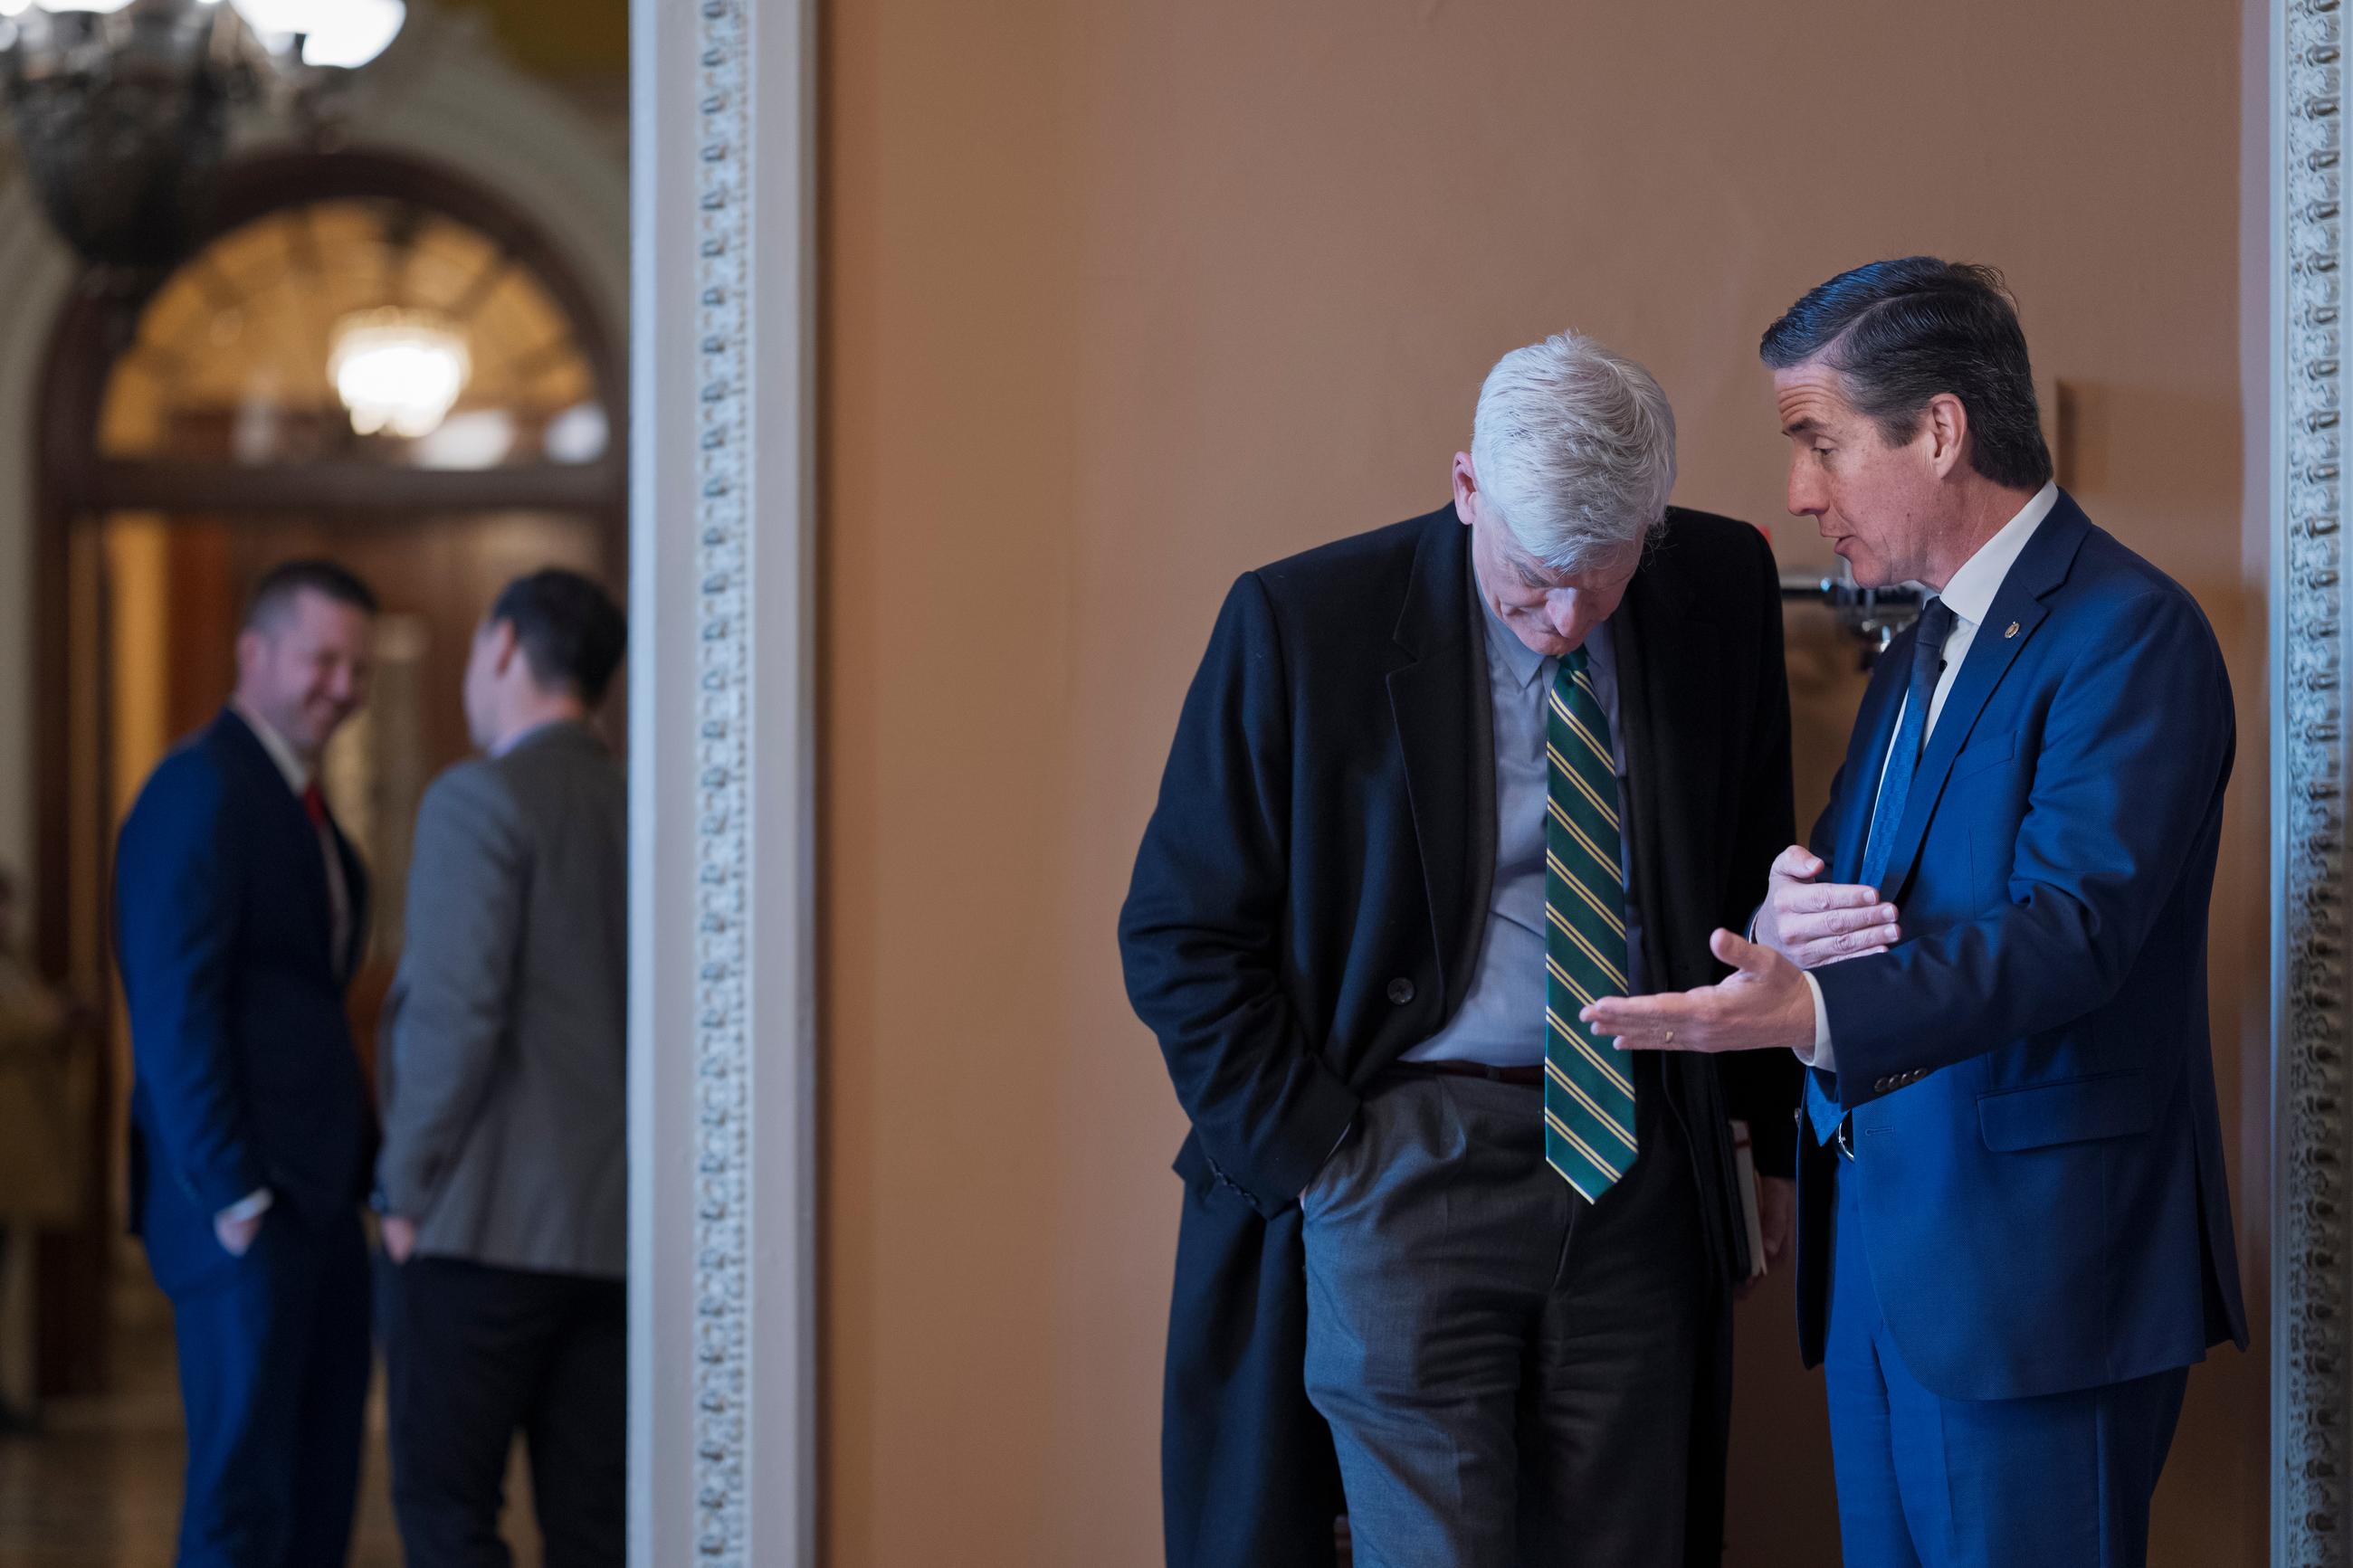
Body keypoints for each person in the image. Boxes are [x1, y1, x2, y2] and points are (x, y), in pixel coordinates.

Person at [1583, 259, 2248, 1568]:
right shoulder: (1916, 653)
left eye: (1818, 441)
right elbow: (1866, 898)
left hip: (2037, 1291)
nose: (1799, 491)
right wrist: (1790, 908)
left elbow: (2077, 927)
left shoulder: (2132, 635)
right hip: (1890, 1275)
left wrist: (1816, 1007)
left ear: (1939, 430)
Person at [1119, 331, 1802, 1568]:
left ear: (1652, 524)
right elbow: (1179, 929)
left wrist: (1760, 1141)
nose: (1561, 619)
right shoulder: (1301, 622)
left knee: (1632, 1538)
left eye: (1601, 583)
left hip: (1638, 1152)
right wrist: (1324, 1154)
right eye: (1532, 579)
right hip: (1401, 1158)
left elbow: (1755, 871)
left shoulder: (1719, 585)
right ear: (1466, 489)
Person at [115, 559, 379, 1568]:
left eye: (357, 665)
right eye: (322, 658)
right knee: (241, 1506)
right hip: (244, 1211)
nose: (343, 686)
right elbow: (173, 1006)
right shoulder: (199, 786)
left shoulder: (298, 801)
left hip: (319, 1203)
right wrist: (233, 1194)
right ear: (253, 653)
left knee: (316, 1497)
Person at [375, 568, 628, 1568]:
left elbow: (452, 1014)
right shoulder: (647, 805)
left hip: (480, 1224)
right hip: (616, 1237)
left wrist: (404, 1187)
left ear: (505, 648)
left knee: (447, 1516)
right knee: (597, 1527)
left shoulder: (476, 799)